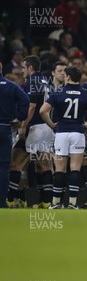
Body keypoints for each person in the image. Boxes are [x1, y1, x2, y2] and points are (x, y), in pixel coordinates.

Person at [40, 67, 87, 209]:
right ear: (79, 78)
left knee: (60, 169)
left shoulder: (58, 92)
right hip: (78, 133)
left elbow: (42, 110)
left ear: (68, 77)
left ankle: (56, 203)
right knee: (75, 168)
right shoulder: (86, 94)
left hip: (62, 133)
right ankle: (73, 203)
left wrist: (52, 125)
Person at [19, 55, 53, 209]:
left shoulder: (32, 81)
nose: (22, 71)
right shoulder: (46, 81)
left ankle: (19, 198)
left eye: (23, 67)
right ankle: (46, 201)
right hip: (47, 127)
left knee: (22, 163)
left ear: (30, 67)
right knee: (43, 164)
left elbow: (32, 106)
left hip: (36, 127)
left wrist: (23, 125)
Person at [0, 62, 29, 208]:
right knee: (4, 166)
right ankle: (1, 201)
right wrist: (19, 117)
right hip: (5, 127)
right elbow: (25, 100)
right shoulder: (11, 86)